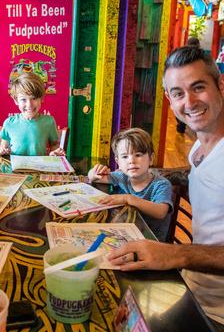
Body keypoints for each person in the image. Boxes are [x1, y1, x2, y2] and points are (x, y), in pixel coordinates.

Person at [108, 46, 224, 328]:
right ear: (168, 99)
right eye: (178, 93)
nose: (190, 102)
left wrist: (175, 253)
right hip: (191, 285)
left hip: (215, 313)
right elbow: (201, 175)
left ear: (221, 84)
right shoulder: (200, 147)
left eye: (199, 87)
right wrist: (145, 174)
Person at [88, 128, 173, 241]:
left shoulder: (161, 184)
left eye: (138, 155)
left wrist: (128, 199)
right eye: (125, 156)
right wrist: (93, 174)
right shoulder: (121, 176)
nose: (131, 161)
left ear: (151, 159)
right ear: (118, 162)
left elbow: (161, 211)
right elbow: (97, 179)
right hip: (124, 234)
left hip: (151, 243)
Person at [0, 73, 65, 156]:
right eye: (23, 99)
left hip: (40, 167)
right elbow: (2, 147)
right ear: (16, 100)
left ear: (42, 98)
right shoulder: (9, 123)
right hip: (15, 167)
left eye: (34, 98)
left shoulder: (49, 121)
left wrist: (54, 152)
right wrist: (2, 151)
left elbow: (54, 145)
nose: (29, 104)